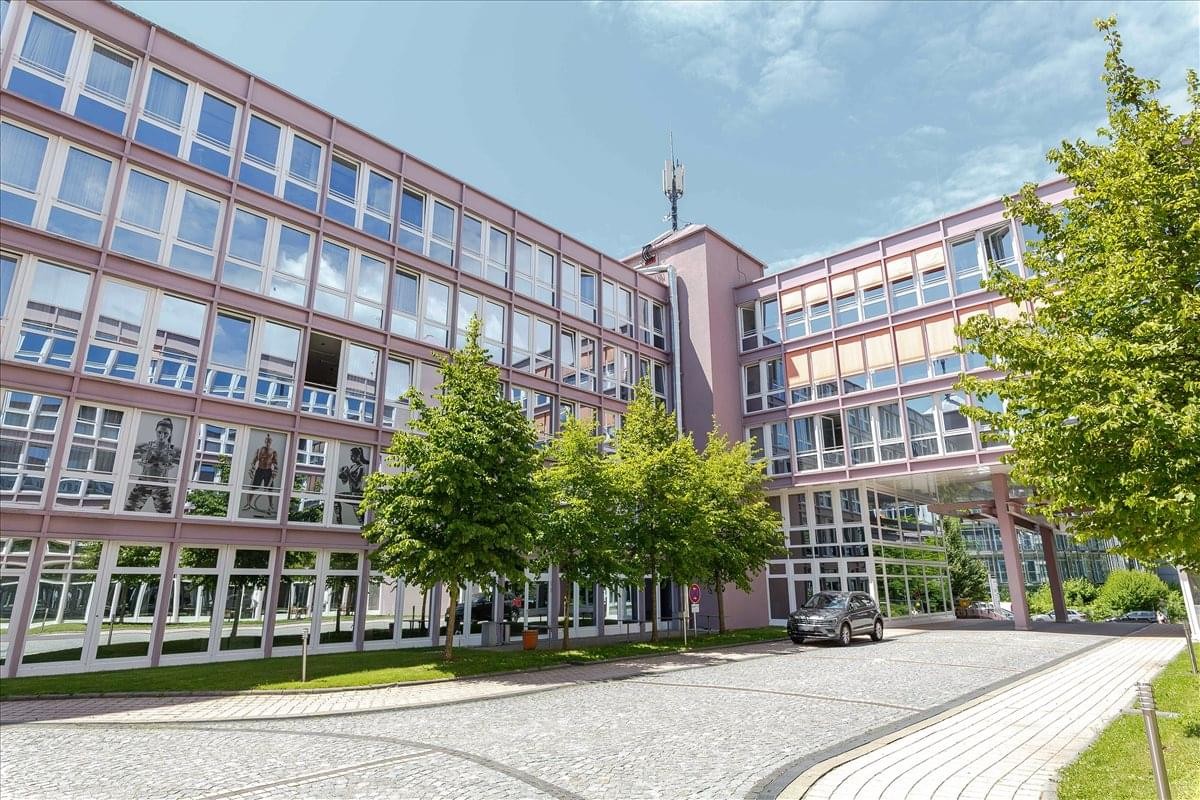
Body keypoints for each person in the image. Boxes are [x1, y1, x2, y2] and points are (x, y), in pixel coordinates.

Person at [124, 417, 182, 513]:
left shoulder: (174, 450)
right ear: (156, 430)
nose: (162, 436)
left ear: (170, 433)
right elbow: (124, 454)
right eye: (159, 432)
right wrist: (141, 458)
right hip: (143, 483)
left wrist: (172, 462)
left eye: (165, 433)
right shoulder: (145, 446)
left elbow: (187, 463)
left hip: (161, 485)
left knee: (167, 517)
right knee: (128, 512)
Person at [334, 446, 369, 525]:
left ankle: (339, 523)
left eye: (352, 455)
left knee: (361, 520)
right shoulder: (352, 467)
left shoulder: (361, 468)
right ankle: (338, 521)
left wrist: (349, 474)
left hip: (359, 495)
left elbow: (356, 484)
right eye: (350, 455)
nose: (351, 457)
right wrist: (343, 474)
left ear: (358, 456)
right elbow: (345, 482)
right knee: (360, 520)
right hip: (352, 494)